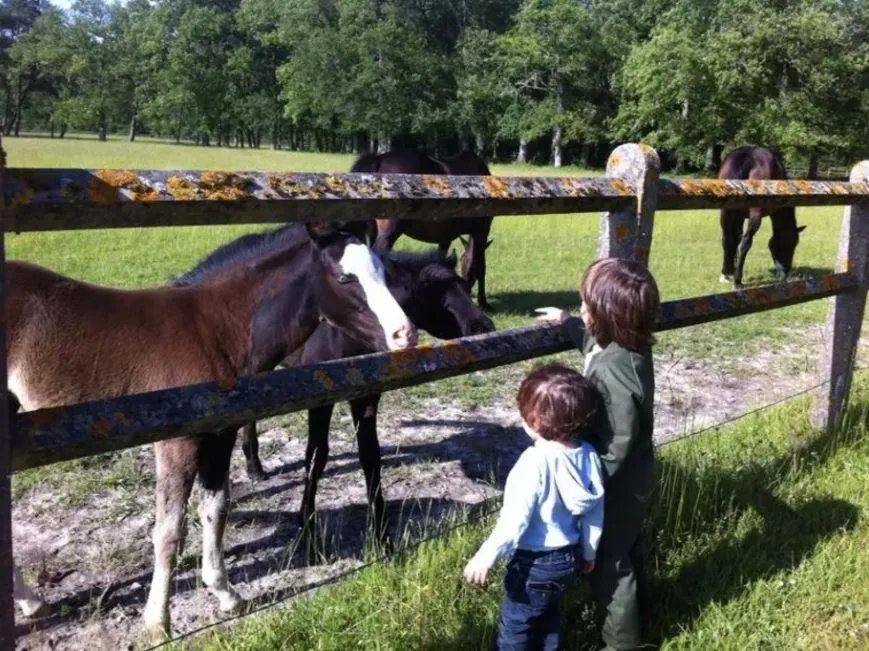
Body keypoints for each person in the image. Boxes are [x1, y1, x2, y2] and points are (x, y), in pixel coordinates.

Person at [536, 257, 660, 650]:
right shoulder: (627, 349)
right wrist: (568, 322)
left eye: (586, 306)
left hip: (617, 485)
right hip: (635, 476)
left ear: (608, 317)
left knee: (611, 563)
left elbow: (617, 442)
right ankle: (643, 617)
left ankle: (622, 644)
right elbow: (593, 348)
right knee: (628, 550)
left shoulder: (614, 373)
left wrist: (587, 485)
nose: (582, 309)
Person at [464, 363, 605, 650]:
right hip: (568, 558)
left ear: (536, 422)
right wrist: (589, 552)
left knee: (516, 627)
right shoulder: (588, 454)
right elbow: (594, 511)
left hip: (534, 563)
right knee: (548, 618)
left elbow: (514, 521)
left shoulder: (533, 462)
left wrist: (486, 556)